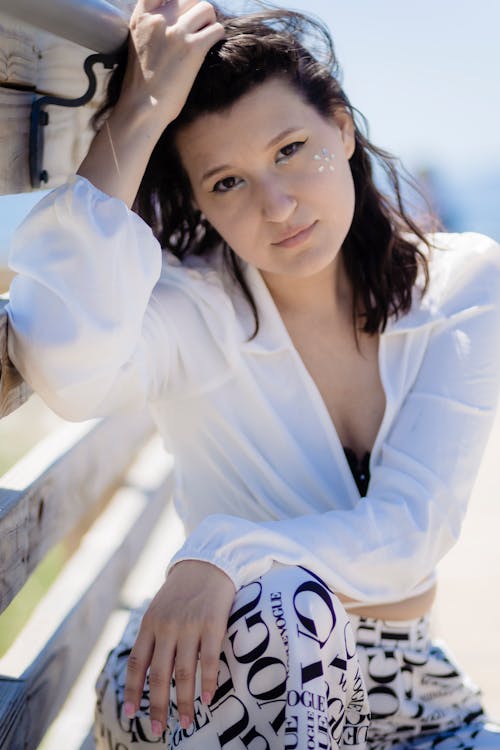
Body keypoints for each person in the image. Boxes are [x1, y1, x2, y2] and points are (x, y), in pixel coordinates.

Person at [5, 0, 500, 747]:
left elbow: (412, 530)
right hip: (211, 677)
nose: (278, 205)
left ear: (342, 125)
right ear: (200, 203)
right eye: (227, 183)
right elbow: (66, 368)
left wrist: (224, 550)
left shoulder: (461, 284)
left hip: (409, 685)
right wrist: (138, 113)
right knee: (287, 607)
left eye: (292, 147)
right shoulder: (193, 310)